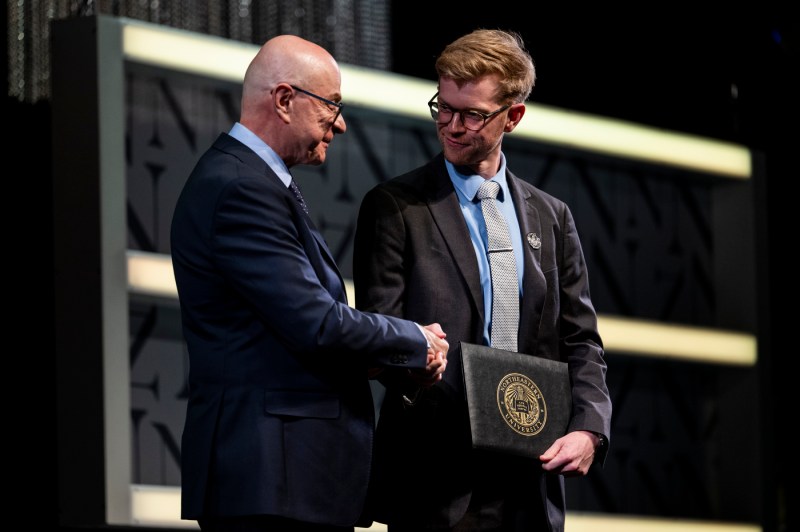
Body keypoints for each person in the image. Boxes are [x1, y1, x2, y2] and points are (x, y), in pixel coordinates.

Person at [170, 34, 449, 532]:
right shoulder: (240, 188)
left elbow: (280, 333)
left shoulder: (253, 181)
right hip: (271, 479)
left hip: (285, 479)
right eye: (331, 105)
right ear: (283, 100)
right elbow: (316, 322)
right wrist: (415, 340)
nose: (340, 124)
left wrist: (368, 358)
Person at [353, 29, 612, 531]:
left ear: (512, 116)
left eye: (471, 114)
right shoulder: (396, 207)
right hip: (435, 482)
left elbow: (581, 341)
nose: (451, 126)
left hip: (530, 483)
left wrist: (589, 431)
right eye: (442, 108)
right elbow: (380, 333)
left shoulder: (552, 217)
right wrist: (415, 365)